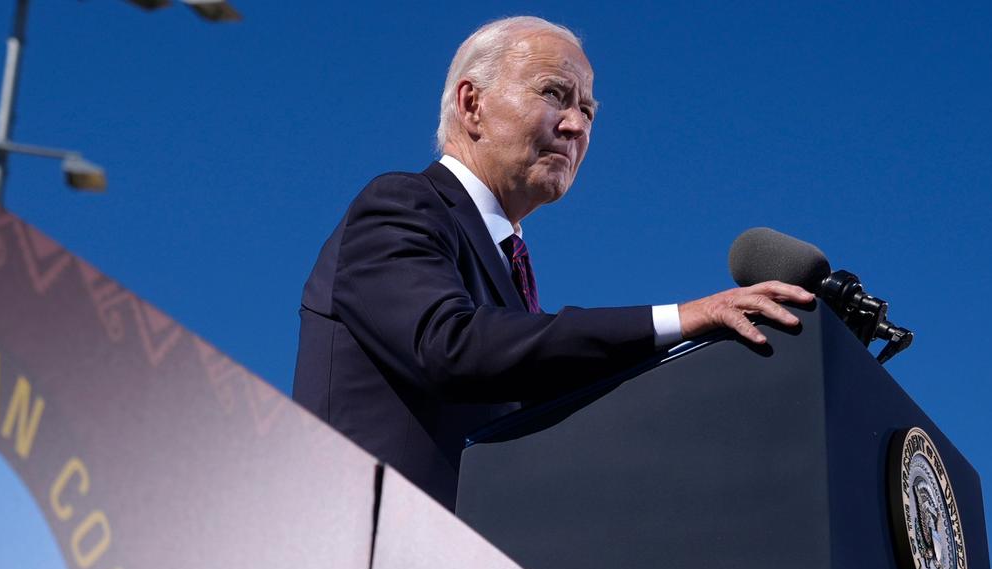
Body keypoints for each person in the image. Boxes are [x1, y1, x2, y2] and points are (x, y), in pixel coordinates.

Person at [294, 15, 812, 510]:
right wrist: (680, 319)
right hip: (362, 560)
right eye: (554, 95)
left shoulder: (511, 268)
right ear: (472, 104)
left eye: (588, 111)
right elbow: (449, 345)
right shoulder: (402, 204)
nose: (575, 125)